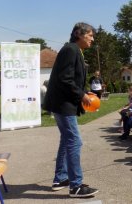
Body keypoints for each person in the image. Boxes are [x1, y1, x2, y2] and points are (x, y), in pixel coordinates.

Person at [44, 22, 99, 198]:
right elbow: (64, 79)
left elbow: (70, 79)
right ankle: (76, 186)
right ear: (78, 34)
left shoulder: (75, 50)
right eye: (90, 35)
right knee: (75, 141)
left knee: (67, 140)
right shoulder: (71, 49)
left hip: (62, 103)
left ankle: (60, 178)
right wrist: (82, 95)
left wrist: (83, 91)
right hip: (63, 104)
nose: (92, 39)